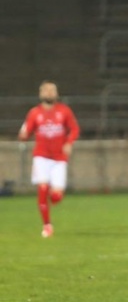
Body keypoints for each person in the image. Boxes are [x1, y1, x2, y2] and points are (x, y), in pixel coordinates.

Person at [18, 80, 80, 238]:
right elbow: (25, 133)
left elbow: (74, 129)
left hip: (59, 158)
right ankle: (47, 225)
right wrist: (23, 135)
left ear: (57, 93)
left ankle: (51, 200)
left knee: (56, 197)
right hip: (41, 156)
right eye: (46, 90)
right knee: (42, 189)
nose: (49, 93)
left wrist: (69, 143)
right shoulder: (34, 113)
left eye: (52, 90)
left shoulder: (64, 111)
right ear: (40, 94)